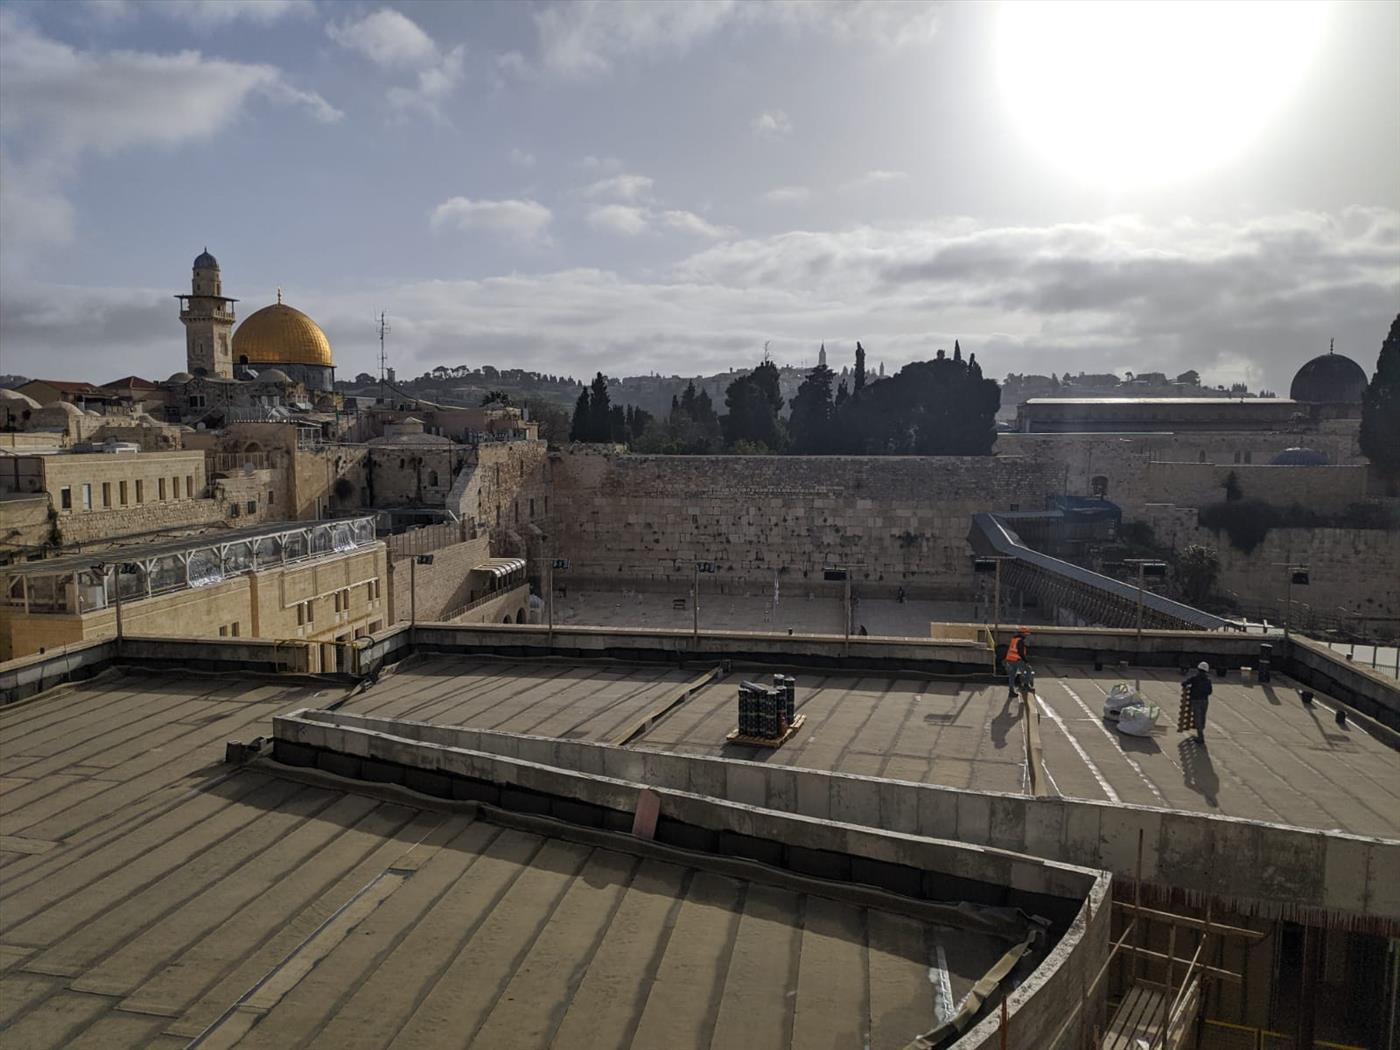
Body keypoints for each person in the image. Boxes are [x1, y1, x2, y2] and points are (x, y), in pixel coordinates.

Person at [1185, 661, 1213, 743]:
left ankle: (1200, 737)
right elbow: (1210, 692)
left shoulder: (1194, 678)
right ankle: (1201, 732)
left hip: (1196, 700)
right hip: (1204, 701)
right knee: (1202, 716)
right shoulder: (1208, 681)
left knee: (1197, 717)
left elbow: (1184, 683)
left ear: (1198, 669)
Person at [1004, 626, 1031, 700]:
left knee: (1012, 676)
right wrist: (1026, 661)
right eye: (1026, 634)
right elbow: (1021, 653)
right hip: (1017, 660)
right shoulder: (1020, 641)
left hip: (1010, 659)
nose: (1027, 635)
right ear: (1023, 633)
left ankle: (1011, 692)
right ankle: (1025, 686)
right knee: (1028, 670)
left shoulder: (1014, 639)